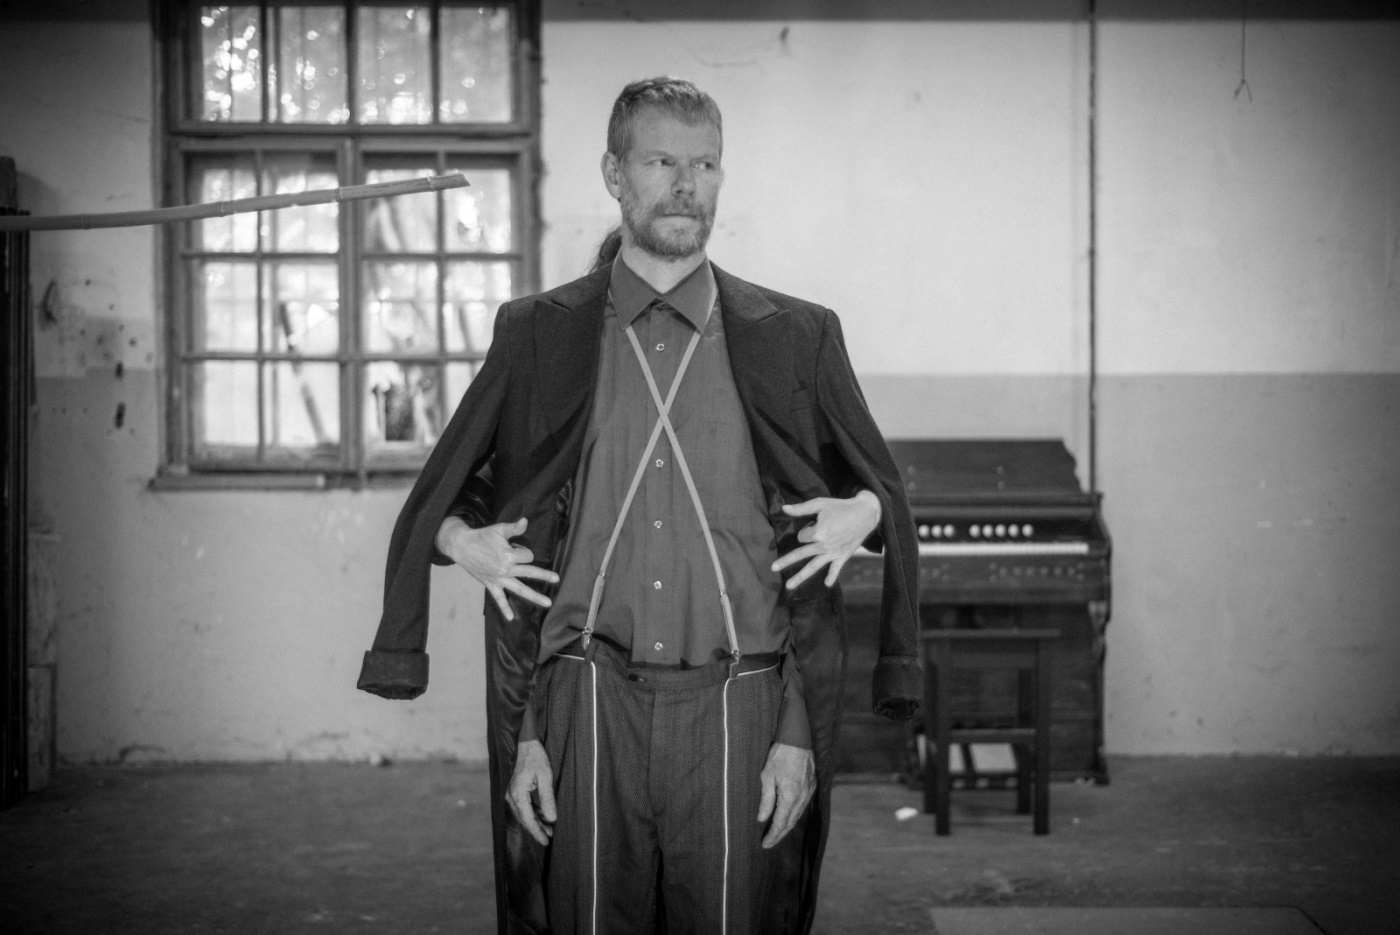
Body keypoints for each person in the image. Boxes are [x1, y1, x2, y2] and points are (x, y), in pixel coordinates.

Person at [358, 76, 921, 935]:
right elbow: (452, 486)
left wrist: (868, 513)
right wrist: (460, 539)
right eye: (662, 161)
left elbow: (882, 483)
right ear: (615, 174)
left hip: (744, 703)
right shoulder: (539, 333)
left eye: (706, 164)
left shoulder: (797, 337)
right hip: (583, 701)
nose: (687, 185)